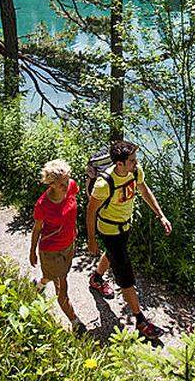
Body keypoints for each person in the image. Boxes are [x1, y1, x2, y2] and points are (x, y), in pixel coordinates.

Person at [86, 140, 171, 340]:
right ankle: (140, 320)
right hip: (109, 230)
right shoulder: (104, 184)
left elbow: (145, 191)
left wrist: (161, 216)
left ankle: (96, 278)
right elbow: (90, 213)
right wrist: (91, 240)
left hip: (125, 226)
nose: (136, 163)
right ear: (120, 163)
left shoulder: (134, 171)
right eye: (132, 160)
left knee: (115, 255)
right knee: (126, 276)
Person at [29, 159, 86, 334]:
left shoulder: (71, 186)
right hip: (51, 249)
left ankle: (39, 284)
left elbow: (72, 205)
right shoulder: (43, 205)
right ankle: (75, 322)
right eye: (62, 183)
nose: (66, 185)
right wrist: (32, 252)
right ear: (51, 184)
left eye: (68, 180)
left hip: (69, 244)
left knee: (55, 275)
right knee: (62, 285)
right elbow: (37, 228)